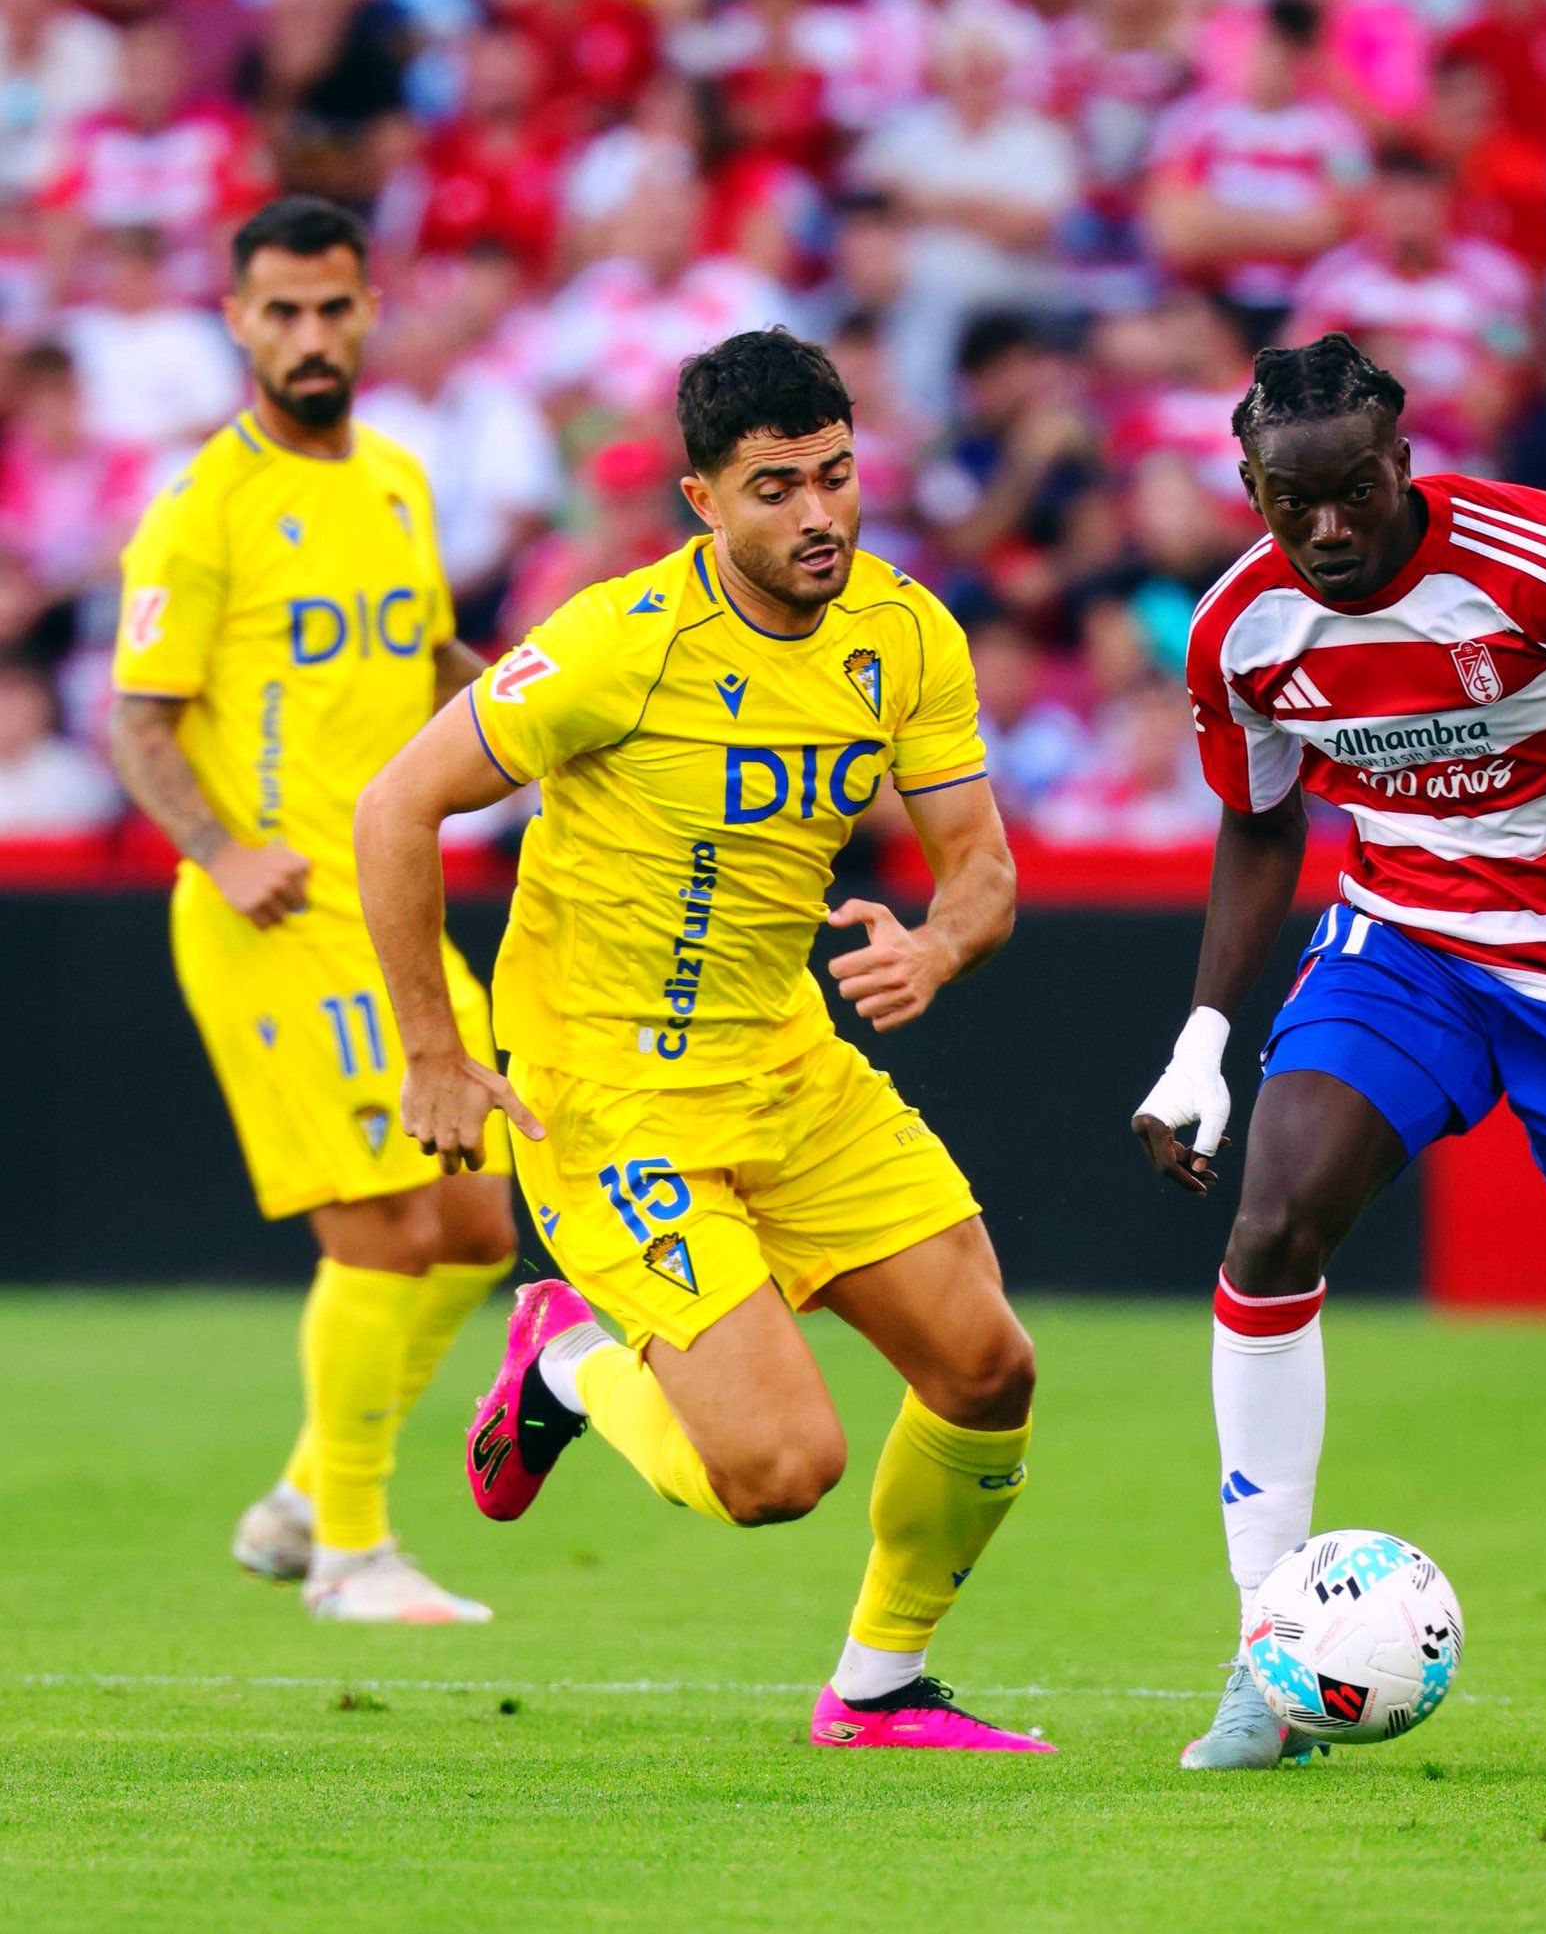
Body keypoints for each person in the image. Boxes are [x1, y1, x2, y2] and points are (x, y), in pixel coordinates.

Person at [352, 328, 1051, 1754]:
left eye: (838, 479)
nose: (819, 518)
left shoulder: (904, 633)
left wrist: (944, 941)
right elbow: (392, 807)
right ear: (703, 501)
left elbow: (978, 862)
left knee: (990, 1369)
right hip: (613, 1093)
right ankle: (562, 1361)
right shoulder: (620, 644)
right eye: (777, 489)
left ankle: (878, 1689)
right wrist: (431, 1049)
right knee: (779, 1469)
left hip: (785, 1059)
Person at [1131, 335, 1546, 1771]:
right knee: (1272, 1220)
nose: (1328, 529)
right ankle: (1264, 1645)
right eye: (1289, 500)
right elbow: (1260, 823)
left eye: (1354, 493)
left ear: (1402, 463)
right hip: (1412, 948)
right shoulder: (1240, 629)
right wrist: (1203, 1042)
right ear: (1247, 485)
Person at [106, 196, 519, 1625]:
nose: (309, 336)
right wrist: (221, 852)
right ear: (237, 323)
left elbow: (423, 658)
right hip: (272, 918)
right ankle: (352, 1551)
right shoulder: (202, 506)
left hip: (386, 905)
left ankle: (299, 1496)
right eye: (279, 311)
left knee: (477, 1220)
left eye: (332, 308)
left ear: (369, 310)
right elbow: (139, 722)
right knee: (382, 1234)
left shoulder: (398, 480)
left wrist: (534, 705)